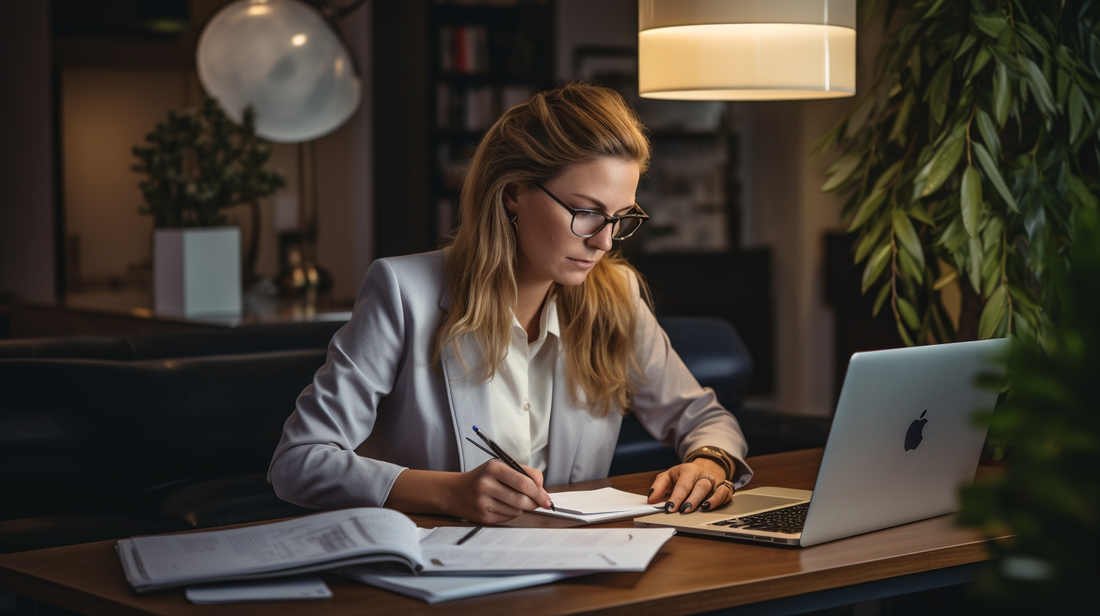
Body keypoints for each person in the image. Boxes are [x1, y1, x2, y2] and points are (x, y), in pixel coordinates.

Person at [269, 82, 752, 524]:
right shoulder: (402, 291)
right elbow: (298, 461)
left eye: (620, 217)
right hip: (441, 574)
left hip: (579, 567)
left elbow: (705, 419)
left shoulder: (616, 297)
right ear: (513, 193)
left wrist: (708, 461)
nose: (605, 242)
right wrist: (447, 493)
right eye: (586, 213)